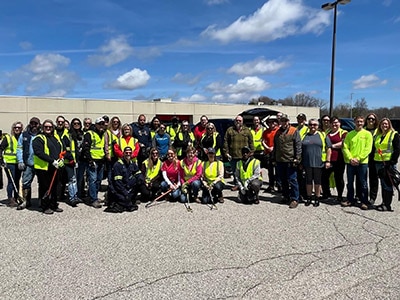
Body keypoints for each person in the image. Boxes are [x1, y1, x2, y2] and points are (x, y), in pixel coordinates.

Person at [32, 119, 65, 214]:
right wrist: (52, 161)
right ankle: (45, 206)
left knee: (54, 187)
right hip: (43, 167)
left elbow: (62, 149)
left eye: (50, 127)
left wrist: (61, 159)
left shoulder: (56, 137)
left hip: (55, 167)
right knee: (45, 187)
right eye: (46, 127)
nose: (48, 128)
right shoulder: (39, 138)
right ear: (43, 128)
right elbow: (39, 152)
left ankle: (53, 204)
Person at [341, 116, 373, 210]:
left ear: (363, 123)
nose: (359, 123)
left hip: (362, 162)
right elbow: (345, 147)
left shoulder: (367, 134)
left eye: (361, 122)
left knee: (363, 182)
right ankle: (350, 199)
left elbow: (368, 148)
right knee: (350, 182)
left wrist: (358, 158)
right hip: (350, 162)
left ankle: (364, 201)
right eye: (357, 121)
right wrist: (350, 158)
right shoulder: (350, 134)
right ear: (354, 122)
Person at [273, 114, 302, 209]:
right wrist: (274, 158)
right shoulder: (277, 132)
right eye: (282, 121)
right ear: (280, 122)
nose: (284, 123)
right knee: (283, 180)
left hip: (290, 160)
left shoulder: (294, 130)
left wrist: (297, 158)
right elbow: (275, 146)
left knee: (292, 180)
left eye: (285, 121)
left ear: (288, 121)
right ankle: (285, 196)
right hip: (280, 160)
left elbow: (298, 145)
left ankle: (295, 199)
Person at [301, 118, 332, 207]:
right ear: (308, 125)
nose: (312, 126)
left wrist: (328, 161)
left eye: (315, 125)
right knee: (308, 181)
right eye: (311, 124)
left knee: (318, 181)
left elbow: (329, 149)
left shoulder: (322, 135)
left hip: (319, 162)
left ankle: (317, 198)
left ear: (318, 126)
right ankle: (309, 197)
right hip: (307, 162)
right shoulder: (304, 135)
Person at [104, 146, 144, 213]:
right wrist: (125, 193)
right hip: (118, 189)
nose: (128, 154)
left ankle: (131, 198)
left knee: (139, 181)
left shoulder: (132, 163)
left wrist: (142, 180)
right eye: (126, 153)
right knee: (126, 203)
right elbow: (117, 183)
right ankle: (110, 198)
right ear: (123, 153)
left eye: (130, 153)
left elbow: (139, 174)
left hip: (126, 186)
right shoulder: (118, 165)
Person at [373, 118, 400, 211]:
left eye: (386, 124)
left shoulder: (394, 134)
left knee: (388, 184)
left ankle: (387, 205)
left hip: (388, 163)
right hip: (378, 162)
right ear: (380, 125)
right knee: (383, 183)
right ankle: (383, 202)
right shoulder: (378, 135)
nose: (384, 125)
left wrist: (392, 162)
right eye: (382, 124)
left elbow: (397, 149)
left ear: (389, 125)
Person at [81, 116, 107, 208]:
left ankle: (94, 195)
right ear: (95, 124)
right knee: (93, 180)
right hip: (92, 160)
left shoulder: (103, 134)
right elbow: (86, 148)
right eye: (99, 124)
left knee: (99, 180)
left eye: (103, 124)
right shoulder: (90, 134)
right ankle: (93, 199)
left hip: (101, 160)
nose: (101, 125)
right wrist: (90, 160)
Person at [16, 117, 41, 210]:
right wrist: (20, 161)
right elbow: (19, 148)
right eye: (32, 123)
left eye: (36, 123)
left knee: (42, 183)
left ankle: (41, 201)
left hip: (40, 164)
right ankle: (26, 201)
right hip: (28, 164)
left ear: (39, 124)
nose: (34, 125)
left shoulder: (42, 134)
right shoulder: (24, 135)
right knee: (26, 182)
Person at [321, 117, 347, 203]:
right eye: (332, 123)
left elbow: (343, 143)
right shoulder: (327, 132)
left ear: (340, 123)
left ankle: (340, 196)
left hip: (339, 159)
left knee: (338, 178)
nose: (334, 124)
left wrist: (331, 146)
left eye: (336, 122)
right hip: (327, 159)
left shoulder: (343, 132)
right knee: (324, 177)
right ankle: (326, 194)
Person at [223, 115, 254, 186]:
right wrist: (226, 153)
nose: (238, 122)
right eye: (237, 120)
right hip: (233, 155)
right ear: (234, 121)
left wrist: (252, 151)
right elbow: (225, 142)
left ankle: (245, 184)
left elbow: (251, 141)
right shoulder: (230, 130)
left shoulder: (247, 130)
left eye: (240, 121)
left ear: (242, 122)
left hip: (244, 156)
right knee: (235, 171)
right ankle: (237, 184)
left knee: (244, 171)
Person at [0, 121, 24, 207]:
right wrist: (1, 160)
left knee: (17, 180)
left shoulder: (22, 137)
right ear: (13, 129)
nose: (17, 129)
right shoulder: (8, 137)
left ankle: (16, 197)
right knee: (11, 181)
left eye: (19, 128)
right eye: (15, 127)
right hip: (9, 163)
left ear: (21, 129)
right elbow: (1, 149)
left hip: (19, 163)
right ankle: (11, 199)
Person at [262, 115, 279, 193]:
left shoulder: (279, 131)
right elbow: (262, 141)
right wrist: (267, 147)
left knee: (278, 170)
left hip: (277, 153)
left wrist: (273, 147)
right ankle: (271, 185)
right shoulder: (266, 132)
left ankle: (279, 185)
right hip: (268, 153)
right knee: (270, 171)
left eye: (273, 122)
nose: (272, 124)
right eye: (270, 122)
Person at [365, 113, 379, 204]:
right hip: (364, 156)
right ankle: (361, 195)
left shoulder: (378, 131)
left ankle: (372, 198)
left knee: (373, 178)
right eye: (369, 118)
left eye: (373, 119)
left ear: (375, 121)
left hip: (375, 157)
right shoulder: (363, 130)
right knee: (362, 177)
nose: (371, 120)